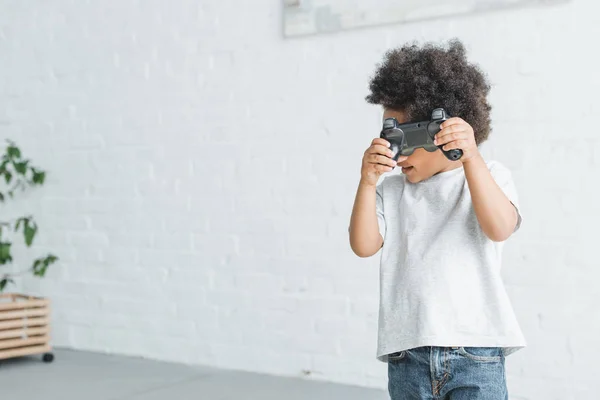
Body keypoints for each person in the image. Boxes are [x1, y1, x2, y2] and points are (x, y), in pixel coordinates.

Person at [348, 39, 526, 400]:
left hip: (476, 351)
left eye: (404, 137)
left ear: (440, 130)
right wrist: (367, 182)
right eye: (388, 137)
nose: (396, 154)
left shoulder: (489, 175)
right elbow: (364, 246)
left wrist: (470, 157)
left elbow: (500, 227)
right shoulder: (392, 191)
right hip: (407, 353)